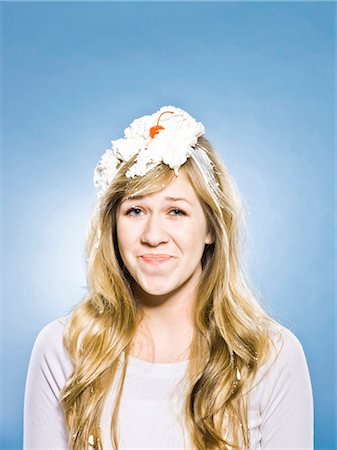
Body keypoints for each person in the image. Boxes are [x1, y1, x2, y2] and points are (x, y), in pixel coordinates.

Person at [23, 106, 314, 450]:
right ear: (113, 226)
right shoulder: (62, 349)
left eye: (176, 211)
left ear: (210, 228)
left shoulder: (271, 356)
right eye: (135, 211)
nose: (153, 234)